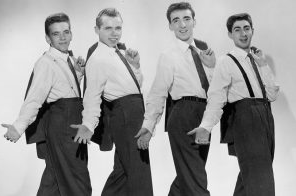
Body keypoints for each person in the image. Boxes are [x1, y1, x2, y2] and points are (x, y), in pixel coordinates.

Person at [188, 13, 279, 196]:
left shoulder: (257, 60)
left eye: (246, 28)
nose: (243, 33)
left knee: (250, 178)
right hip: (246, 120)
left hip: (265, 117)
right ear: (230, 34)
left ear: (252, 30)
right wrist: (206, 126)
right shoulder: (225, 61)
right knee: (261, 178)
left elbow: (271, 95)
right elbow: (216, 97)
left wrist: (263, 65)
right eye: (237, 30)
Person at [1, 13, 92, 196]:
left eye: (66, 32)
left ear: (71, 33)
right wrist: (18, 127)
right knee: (78, 183)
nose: (63, 37)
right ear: (47, 38)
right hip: (62, 128)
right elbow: (34, 98)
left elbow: (64, 90)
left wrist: (78, 74)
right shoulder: (45, 63)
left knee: (53, 182)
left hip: (70, 125)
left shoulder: (66, 60)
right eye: (56, 34)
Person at [70, 8, 153, 196]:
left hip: (133, 113)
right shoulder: (98, 58)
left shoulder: (117, 53)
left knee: (123, 172)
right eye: (108, 28)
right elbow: (92, 95)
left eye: (118, 28)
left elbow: (135, 87)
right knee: (139, 171)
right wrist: (88, 125)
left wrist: (135, 66)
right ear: (96, 30)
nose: (114, 33)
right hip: (124, 116)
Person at [135, 2, 215, 196]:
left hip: (204, 117)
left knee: (187, 176)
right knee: (195, 178)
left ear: (194, 21)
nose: (182, 25)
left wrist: (212, 66)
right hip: (182, 116)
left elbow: (215, 87)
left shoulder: (205, 51)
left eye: (186, 19)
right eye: (176, 20)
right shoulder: (168, 56)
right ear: (170, 26)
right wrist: (148, 127)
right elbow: (158, 93)